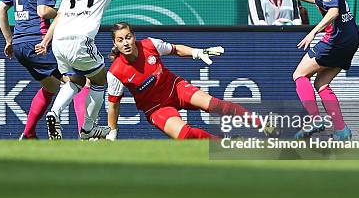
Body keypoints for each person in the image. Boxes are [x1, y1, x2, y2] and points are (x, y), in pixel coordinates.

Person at [35, 0, 150, 140]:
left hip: (59, 40)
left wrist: (46, 41)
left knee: (76, 79)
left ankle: (54, 112)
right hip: (80, 39)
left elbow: (60, 15)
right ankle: (88, 127)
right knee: (100, 80)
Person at [106, 22, 258, 139]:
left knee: (215, 105)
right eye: (120, 40)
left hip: (175, 88)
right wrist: (112, 133)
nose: (125, 43)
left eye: (128, 37)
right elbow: (113, 106)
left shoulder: (150, 44)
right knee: (185, 135)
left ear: (134, 36)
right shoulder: (115, 72)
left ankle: (261, 123)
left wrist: (197, 52)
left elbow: (176, 49)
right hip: (156, 108)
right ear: (115, 44)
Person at [281, 0, 359, 141]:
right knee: (322, 85)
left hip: (337, 38)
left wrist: (313, 32)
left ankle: (315, 119)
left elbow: (333, 11)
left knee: (299, 75)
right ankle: (342, 131)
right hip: (351, 37)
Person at [0, 0, 67, 140]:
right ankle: (86, 133)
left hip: (20, 45)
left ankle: (28, 134)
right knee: (80, 81)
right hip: (38, 41)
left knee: (51, 86)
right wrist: (63, 13)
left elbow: (0, 10)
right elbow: (44, 11)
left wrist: (9, 40)